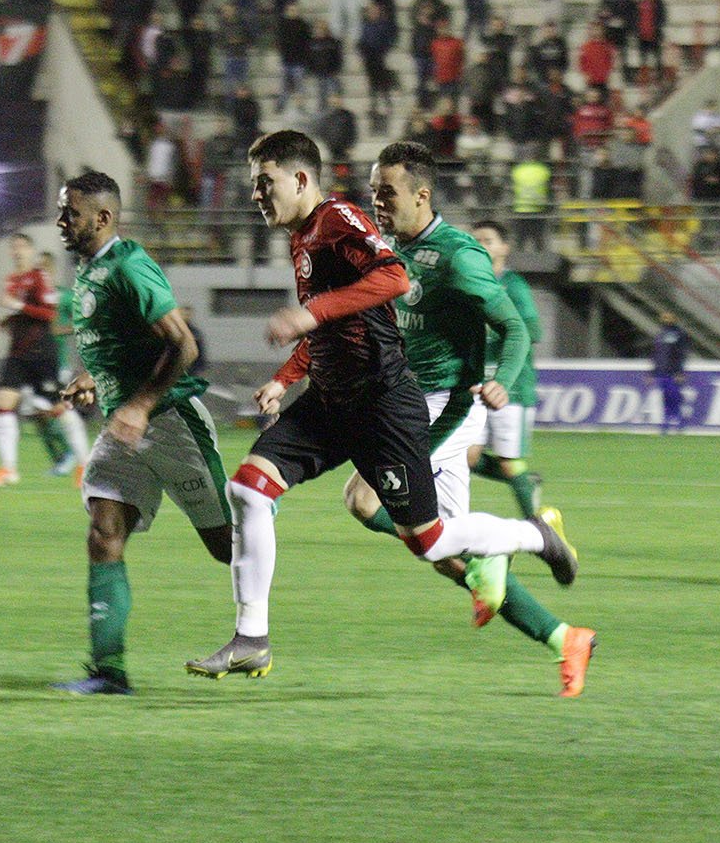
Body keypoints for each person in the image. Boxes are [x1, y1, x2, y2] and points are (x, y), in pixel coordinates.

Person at [185, 131, 584, 683]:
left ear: (300, 180)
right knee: (249, 487)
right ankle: (251, 636)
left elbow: (392, 281)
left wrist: (308, 314)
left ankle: (534, 537)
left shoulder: (339, 221)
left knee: (432, 540)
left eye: (264, 182)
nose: (255, 194)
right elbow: (341, 323)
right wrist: (286, 376)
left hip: (386, 403)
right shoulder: (306, 236)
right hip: (330, 399)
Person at [338, 145, 595, 696]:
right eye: (373, 190)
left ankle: (531, 536)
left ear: (422, 195)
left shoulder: (458, 256)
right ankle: (564, 637)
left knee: (365, 500)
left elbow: (516, 328)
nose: (377, 201)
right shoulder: (384, 249)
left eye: (388, 192)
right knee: (442, 552)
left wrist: (503, 376)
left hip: (446, 405)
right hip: (405, 401)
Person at [50, 171, 233, 695]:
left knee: (228, 547)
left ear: (103, 218)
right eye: (63, 211)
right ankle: (109, 671)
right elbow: (125, 344)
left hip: (172, 424)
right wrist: (96, 379)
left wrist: (142, 403)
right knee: (103, 532)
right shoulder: (90, 269)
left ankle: (259, 501)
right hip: (124, 428)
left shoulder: (130, 265)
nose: (63, 221)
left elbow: (184, 346)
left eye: (72, 213)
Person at [468, 221, 544, 517]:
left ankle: (537, 527)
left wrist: (498, 327)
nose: (481, 245)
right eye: (475, 241)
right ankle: (526, 483)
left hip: (511, 387)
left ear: (504, 248)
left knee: (509, 461)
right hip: (477, 387)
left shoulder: (513, 285)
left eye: (487, 240)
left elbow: (533, 331)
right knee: (466, 457)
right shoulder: (470, 284)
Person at [0, 233, 59, 487]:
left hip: (40, 352)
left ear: (31, 250)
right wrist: (6, 320)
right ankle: (8, 469)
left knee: (56, 410)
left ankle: (84, 461)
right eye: (13, 247)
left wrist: (17, 307)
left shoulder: (40, 276)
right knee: (2, 404)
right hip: (17, 353)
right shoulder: (12, 280)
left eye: (22, 247)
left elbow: (49, 314)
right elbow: (20, 313)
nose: (17, 251)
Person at [37, 251, 92, 481]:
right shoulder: (35, 298)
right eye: (38, 269)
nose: (41, 273)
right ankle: (66, 455)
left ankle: (79, 460)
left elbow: (84, 321)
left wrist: (61, 330)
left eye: (45, 268)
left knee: (61, 412)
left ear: (52, 270)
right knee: (39, 415)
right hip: (34, 365)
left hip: (57, 363)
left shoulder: (65, 297)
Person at [648, 311, 689, 432]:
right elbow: (656, 355)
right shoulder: (660, 335)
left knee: (674, 396)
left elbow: (681, 354)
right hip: (662, 371)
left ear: (674, 319)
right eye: (664, 317)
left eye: (668, 317)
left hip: (673, 372)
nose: (665, 320)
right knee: (665, 397)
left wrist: (680, 372)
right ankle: (666, 422)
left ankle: (679, 420)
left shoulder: (679, 334)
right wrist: (652, 373)